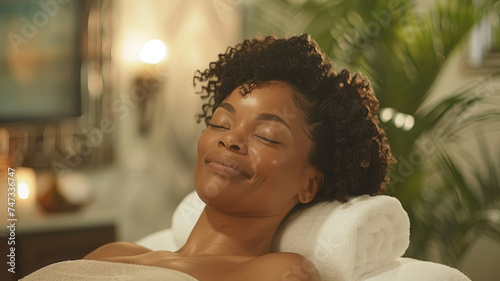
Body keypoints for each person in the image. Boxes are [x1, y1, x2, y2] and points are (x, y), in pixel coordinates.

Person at [40, 34, 394, 281]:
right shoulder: (110, 253)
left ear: (309, 184)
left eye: (267, 137)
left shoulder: (279, 272)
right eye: (220, 123)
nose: (231, 140)